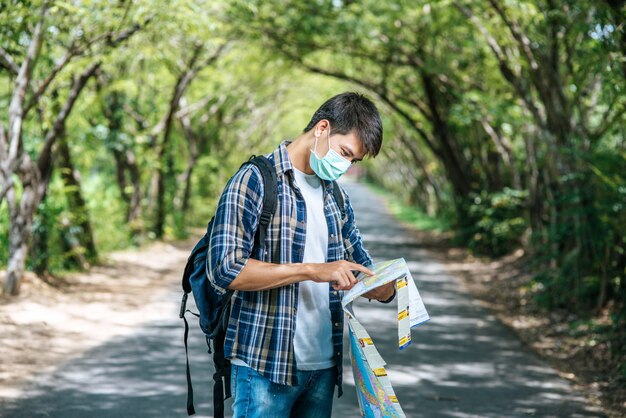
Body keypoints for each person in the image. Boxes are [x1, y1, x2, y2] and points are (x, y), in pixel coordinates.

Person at [207, 92, 396, 418]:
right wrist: (311, 270)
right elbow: (225, 270)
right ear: (322, 128)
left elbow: (360, 265)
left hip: (322, 369)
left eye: (354, 162)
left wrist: (383, 288)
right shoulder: (255, 180)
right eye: (345, 153)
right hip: (264, 365)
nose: (346, 166)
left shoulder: (335, 195)